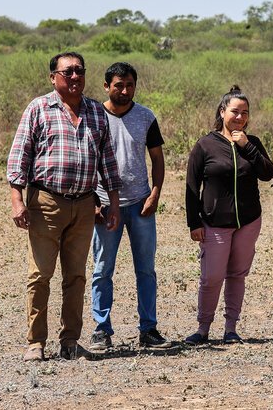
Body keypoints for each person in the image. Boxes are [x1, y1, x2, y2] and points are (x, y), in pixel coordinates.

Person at [7, 51, 121, 361]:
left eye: (79, 71)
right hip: (46, 203)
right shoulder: (39, 109)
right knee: (40, 275)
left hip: (84, 205)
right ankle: (36, 342)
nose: (75, 77)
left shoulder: (97, 112)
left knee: (76, 277)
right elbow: (20, 157)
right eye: (67, 71)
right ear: (53, 77)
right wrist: (18, 201)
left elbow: (108, 162)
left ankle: (70, 341)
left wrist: (112, 204)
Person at [88, 62, 171, 352]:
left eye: (130, 85)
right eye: (118, 85)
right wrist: (94, 202)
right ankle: (101, 329)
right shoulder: (94, 115)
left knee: (146, 269)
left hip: (140, 204)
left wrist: (155, 195)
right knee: (102, 269)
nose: (124, 90)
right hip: (104, 205)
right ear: (106, 86)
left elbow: (158, 159)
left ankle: (148, 329)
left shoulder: (146, 116)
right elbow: (85, 161)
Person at [183, 86, 273, 345]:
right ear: (222, 111)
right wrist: (194, 222)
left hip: (248, 221)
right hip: (214, 223)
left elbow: (267, 173)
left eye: (245, 113)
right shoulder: (205, 145)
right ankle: (202, 329)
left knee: (237, 274)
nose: (239, 117)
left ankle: (231, 329)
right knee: (211, 276)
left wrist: (247, 146)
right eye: (235, 111)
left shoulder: (252, 142)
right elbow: (192, 186)